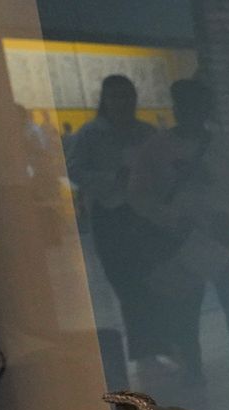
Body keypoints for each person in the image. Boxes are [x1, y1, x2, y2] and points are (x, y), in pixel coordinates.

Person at [130, 79, 229, 378]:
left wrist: (225, 215)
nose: (190, 112)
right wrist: (171, 219)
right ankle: (192, 367)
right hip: (179, 240)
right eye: (184, 105)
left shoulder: (223, 146)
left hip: (221, 239)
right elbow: (139, 195)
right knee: (184, 310)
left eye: (196, 106)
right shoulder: (155, 148)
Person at [68, 75, 162, 363]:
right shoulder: (90, 134)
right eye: (116, 96)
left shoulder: (146, 132)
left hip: (145, 215)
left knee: (150, 280)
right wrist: (111, 178)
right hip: (110, 216)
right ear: (105, 100)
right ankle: (144, 349)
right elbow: (74, 169)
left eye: (127, 95)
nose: (123, 102)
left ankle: (154, 348)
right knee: (125, 282)